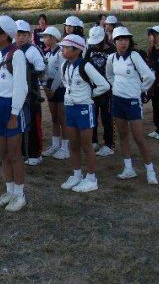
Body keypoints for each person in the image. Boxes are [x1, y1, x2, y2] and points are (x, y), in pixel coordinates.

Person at [105, 27, 159, 185]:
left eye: (126, 39)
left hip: (133, 102)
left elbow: (149, 76)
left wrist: (140, 89)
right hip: (117, 100)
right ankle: (128, 168)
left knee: (139, 137)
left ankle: (150, 171)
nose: (124, 43)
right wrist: (116, 87)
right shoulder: (112, 58)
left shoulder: (134, 56)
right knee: (122, 134)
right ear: (114, 42)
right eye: (120, 40)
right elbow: (109, 75)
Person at [0, 15, 28, 212]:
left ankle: (19, 195)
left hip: (11, 107)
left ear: (4, 35)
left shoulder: (16, 55)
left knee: (14, 154)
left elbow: (21, 86)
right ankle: (9, 191)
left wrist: (14, 114)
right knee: (3, 153)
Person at [59, 34, 110, 192]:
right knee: (74, 144)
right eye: (62, 47)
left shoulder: (86, 66)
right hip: (70, 107)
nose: (63, 50)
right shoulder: (65, 65)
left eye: (66, 48)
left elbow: (104, 85)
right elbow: (65, 82)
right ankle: (76, 175)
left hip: (84, 108)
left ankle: (91, 178)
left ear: (77, 51)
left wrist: (90, 95)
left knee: (87, 145)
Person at [15, 20, 45, 166]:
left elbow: (41, 69)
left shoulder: (32, 51)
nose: (21, 38)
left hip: (31, 94)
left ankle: (36, 153)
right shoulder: (13, 49)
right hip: (17, 93)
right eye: (18, 34)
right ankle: (23, 151)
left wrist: (28, 73)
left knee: (33, 122)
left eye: (24, 35)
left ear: (28, 36)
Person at [84, 26, 116, 156]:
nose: (96, 45)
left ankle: (109, 144)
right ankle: (93, 141)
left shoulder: (112, 50)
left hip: (108, 91)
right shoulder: (90, 50)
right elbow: (85, 66)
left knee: (107, 118)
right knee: (93, 117)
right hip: (93, 90)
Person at [40, 26, 70, 159]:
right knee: (54, 118)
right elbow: (45, 72)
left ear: (53, 38)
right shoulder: (47, 54)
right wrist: (45, 86)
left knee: (63, 118)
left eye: (46, 36)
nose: (44, 39)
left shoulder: (61, 53)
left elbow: (60, 73)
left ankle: (65, 147)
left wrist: (52, 89)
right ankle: (55, 145)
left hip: (60, 87)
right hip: (50, 87)